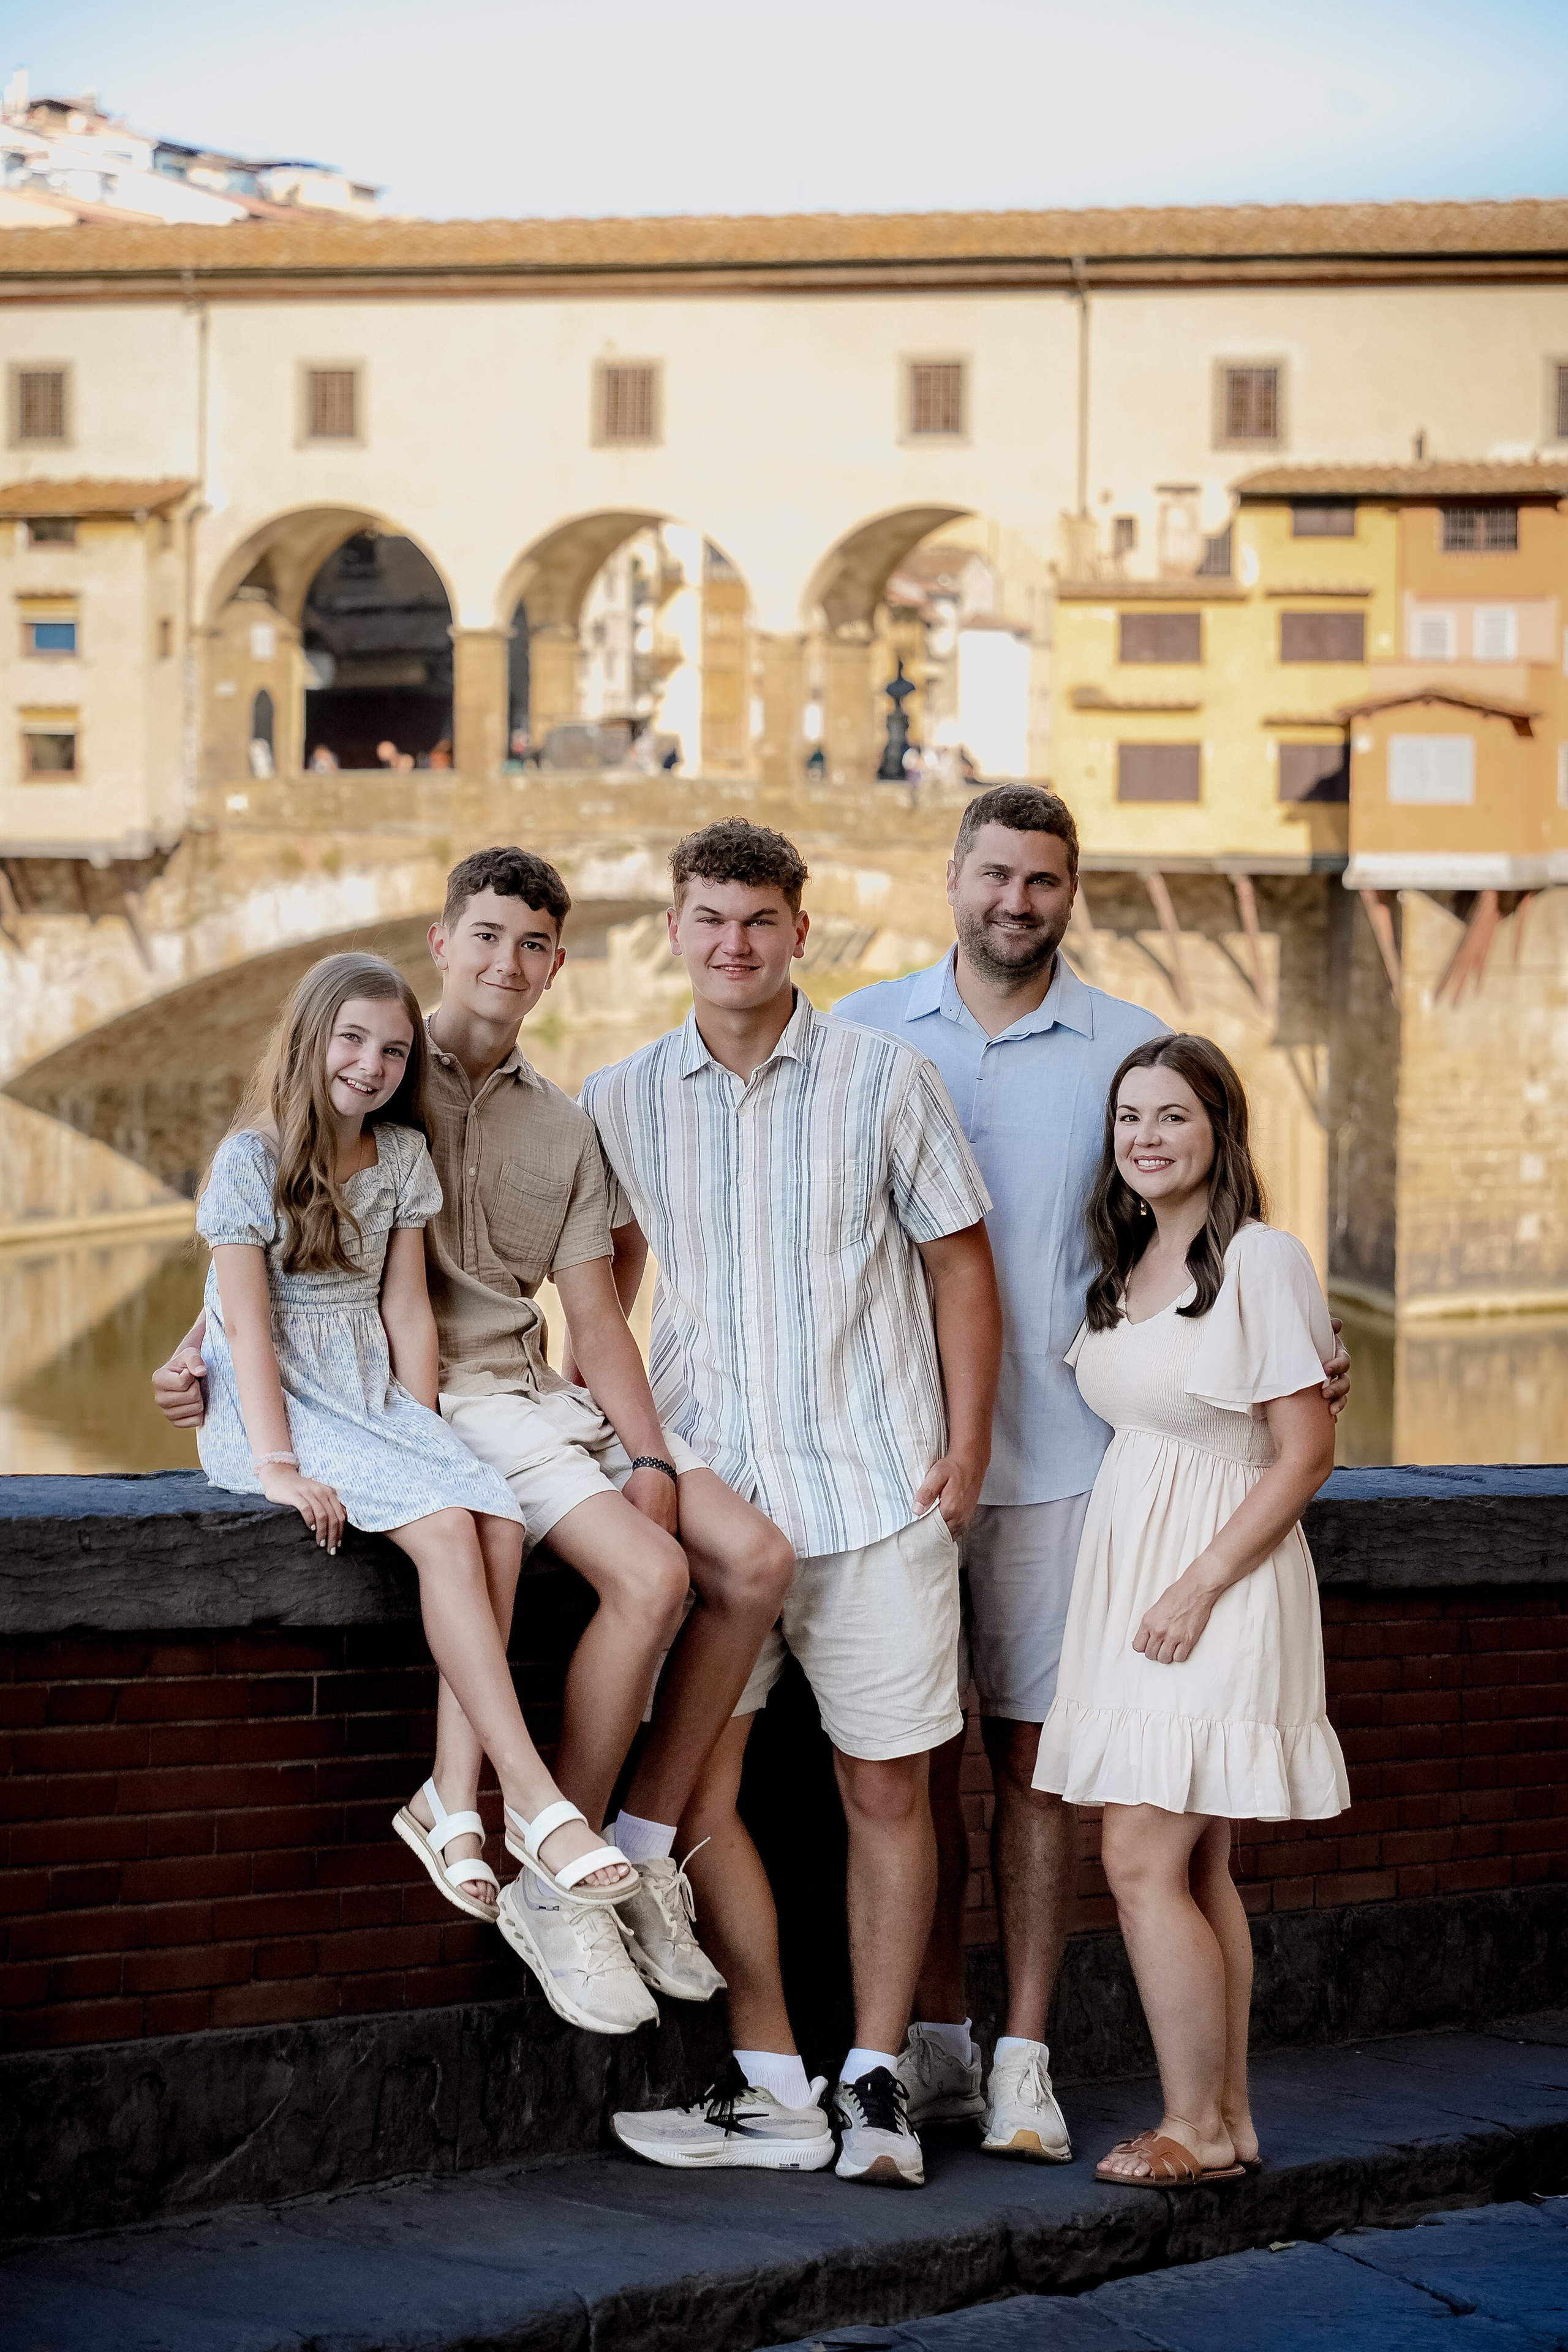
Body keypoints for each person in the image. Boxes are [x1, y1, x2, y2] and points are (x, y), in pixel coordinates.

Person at [154, 848, 794, 2039]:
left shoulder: (563, 1123)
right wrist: (203, 1354)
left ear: (557, 965)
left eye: (532, 944)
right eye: (486, 937)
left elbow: (597, 1317)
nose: (508, 962)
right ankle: (558, 1864)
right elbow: (278, 1220)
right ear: (442, 944)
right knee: (652, 1578)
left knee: (754, 1562)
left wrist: (652, 1460)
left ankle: (643, 1839)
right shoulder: (386, 1081)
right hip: (436, 1400)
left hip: (539, 1387)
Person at [836, 785, 1349, 2163]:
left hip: (1080, 1482)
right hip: (889, 1466)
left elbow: (1250, 1295)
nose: (1014, 901)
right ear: (953, 876)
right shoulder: (861, 1033)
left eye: (1042, 880)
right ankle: (948, 2051)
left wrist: (1296, 1350)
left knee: (1048, 1779)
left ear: (1073, 890)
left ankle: (1033, 2063)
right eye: (993, 874)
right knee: (907, 1762)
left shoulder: (1130, 1047)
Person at [584, 818, 1001, 2189]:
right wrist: (620, 1442)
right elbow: (604, 1287)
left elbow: (960, 1266)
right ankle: (773, 2085)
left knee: (887, 1788)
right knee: (701, 1789)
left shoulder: (887, 1078)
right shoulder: (621, 1097)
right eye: (708, 918)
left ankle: (874, 2080)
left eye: (759, 919)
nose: (734, 943)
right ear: (672, 930)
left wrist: (967, 1446)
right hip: (712, 1492)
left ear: (799, 932)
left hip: (876, 1484)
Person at [187, 949, 646, 2031]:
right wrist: (279, 1466)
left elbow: (405, 1313)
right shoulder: (250, 1160)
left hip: (376, 1395)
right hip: (281, 1404)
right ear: (309, 1042)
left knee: (494, 1515)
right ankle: (528, 1796)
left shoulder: (399, 1157)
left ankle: (448, 1798)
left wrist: (426, 1432)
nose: (372, 1064)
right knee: (447, 1530)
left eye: (393, 1050)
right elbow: (243, 1326)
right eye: (351, 1041)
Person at [1035, 1033, 1347, 2188]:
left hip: (1217, 1584)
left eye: (1173, 1115)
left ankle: (1192, 2125)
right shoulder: (1127, 1265)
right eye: (1130, 1117)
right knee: (1198, 1862)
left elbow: (1306, 1452)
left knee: (1137, 1854)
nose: (1147, 1137)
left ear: (1221, 1129)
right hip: (1138, 1581)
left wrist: (1200, 1583)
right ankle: (1228, 2120)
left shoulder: (1261, 1258)